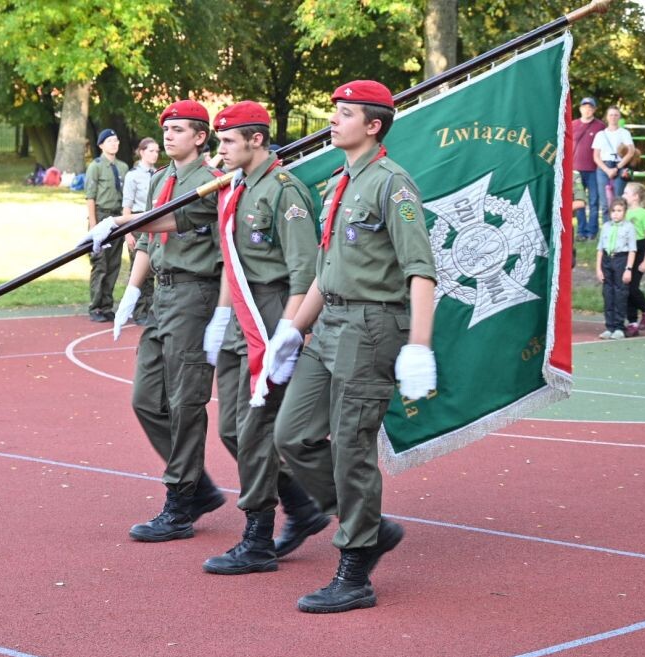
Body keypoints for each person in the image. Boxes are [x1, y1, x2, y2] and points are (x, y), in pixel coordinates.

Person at [266, 80, 437, 613]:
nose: (333, 121)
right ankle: (369, 524)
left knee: (351, 446)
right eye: (334, 112)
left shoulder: (393, 185)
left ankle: (356, 570)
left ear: (373, 125)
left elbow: (421, 270)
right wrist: (294, 329)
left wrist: (419, 346)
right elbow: (326, 269)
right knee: (291, 434)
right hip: (329, 323)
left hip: (370, 327)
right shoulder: (340, 183)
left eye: (344, 114)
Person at [200, 101, 328, 576]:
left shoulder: (283, 191)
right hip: (242, 314)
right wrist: (221, 317)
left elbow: (304, 273)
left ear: (256, 140)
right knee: (232, 430)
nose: (221, 150)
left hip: (273, 313)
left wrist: (289, 335)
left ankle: (257, 538)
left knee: (255, 431)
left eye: (228, 141)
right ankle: (302, 505)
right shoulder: (238, 186)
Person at [99, 100, 226, 542]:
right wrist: (132, 291)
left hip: (195, 293)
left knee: (185, 401)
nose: (169, 136)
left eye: (179, 130)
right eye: (166, 129)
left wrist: (118, 222)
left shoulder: (211, 181)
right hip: (163, 293)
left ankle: (181, 499)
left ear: (200, 137)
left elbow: (168, 220)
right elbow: (150, 240)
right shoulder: (159, 179)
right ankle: (198, 485)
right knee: (147, 399)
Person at [85, 129, 130, 323]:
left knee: (114, 264)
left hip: (118, 217)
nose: (114, 143)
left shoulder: (123, 167)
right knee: (100, 264)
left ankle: (107, 305)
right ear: (101, 145)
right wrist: (93, 224)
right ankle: (95, 306)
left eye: (116, 140)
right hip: (102, 215)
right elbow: (90, 197)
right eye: (110, 141)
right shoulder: (95, 166)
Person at [120, 137, 159, 325]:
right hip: (137, 223)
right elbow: (126, 206)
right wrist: (127, 233)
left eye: (157, 151)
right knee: (140, 269)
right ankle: (140, 311)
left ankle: (148, 308)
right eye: (151, 151)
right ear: (142, 152)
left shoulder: (159, 174)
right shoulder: (133, 176)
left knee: (152, 268)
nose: (155, 154)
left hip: (155, 222)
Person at [595, 197, 637, 340]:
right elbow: (600, 249)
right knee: (608, 293)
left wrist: (628, 269)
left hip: (621, 259)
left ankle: (619, 326)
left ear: (624, 212)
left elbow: (632, 250)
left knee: (620, 293)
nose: (616, 214)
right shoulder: (606, 226)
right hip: (607, 259)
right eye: (613, 211)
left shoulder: (629, 227)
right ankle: (610, 326)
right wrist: (598, 268)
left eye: (619, 211)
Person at [622, 182, 645, 336]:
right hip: (627, 250)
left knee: (632, 288)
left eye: (626, 193)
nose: (623, 196)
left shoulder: (644, 214)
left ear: (635, 197)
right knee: (626, 287)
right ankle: (632, 322)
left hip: (639, 248)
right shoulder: (624, 212)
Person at [571, 97, 605, 240]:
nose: (587, 110)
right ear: (580, 109)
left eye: (590, 107)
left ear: (594, 110)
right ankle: (581, 231)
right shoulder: (572, 125)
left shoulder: (600, 126)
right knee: (579, 202)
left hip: (593, 169)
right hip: (575, 170)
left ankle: (592, 232)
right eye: (585, 107)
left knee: (593, 201)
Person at [592, 105, 635, 203]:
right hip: (603, 167)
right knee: (604, 201)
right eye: (611, 115)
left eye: (616, 115)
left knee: (618, 199)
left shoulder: (625, 133)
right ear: (607, 117)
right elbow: (596, 156)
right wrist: (607, 170)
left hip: (620, 165)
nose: (613, 117)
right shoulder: (600, 134)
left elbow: (631, 152)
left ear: (619, 117)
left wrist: (617, 167)